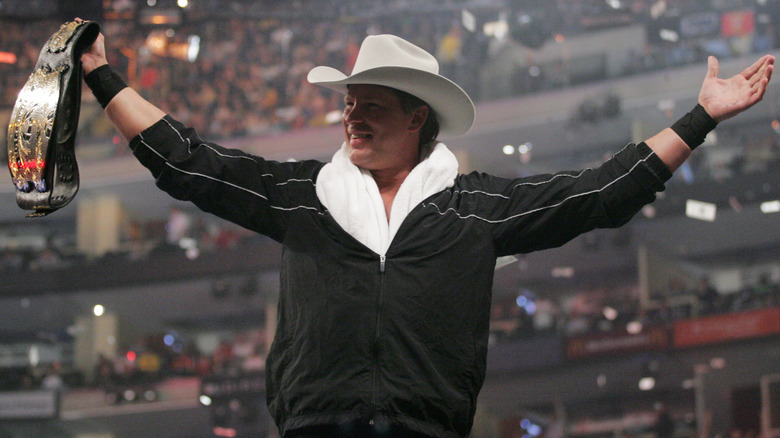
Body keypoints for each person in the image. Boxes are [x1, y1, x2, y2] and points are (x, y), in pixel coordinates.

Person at [77, 19, 774, 438]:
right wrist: (102, 75)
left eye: (370, 105)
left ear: (417, 118)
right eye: (348, 105)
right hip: (312, 427)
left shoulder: (473, 208)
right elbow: (187, 163)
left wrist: (701, 117)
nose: (352, 117)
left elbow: (597, 194)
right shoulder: (302, 197)